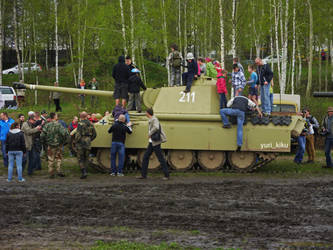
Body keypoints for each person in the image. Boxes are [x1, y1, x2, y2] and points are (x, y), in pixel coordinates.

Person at [137, 108, 169, 180]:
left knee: (160, 158)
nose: (145, 114)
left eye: (146, 112)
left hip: (155, 142)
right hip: (152, 142)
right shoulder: (152, 119)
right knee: (146, 157)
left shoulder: (154, 119)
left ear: (148, 113)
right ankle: (143, 175)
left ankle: (166, 175)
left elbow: (156, 127)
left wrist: (150, 133)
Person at [41, 112, 69, 178]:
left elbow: (42, 135)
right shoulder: (59, 125)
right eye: (56, 115)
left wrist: (44, 142)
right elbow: (65, 134)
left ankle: (51, 172)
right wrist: (64, 141)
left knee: (51, 159)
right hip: (59, 145)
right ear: (54, 117)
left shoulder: (47, 125)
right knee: (58, 158)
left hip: (50, 145)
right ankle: (58, 170)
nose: (57, 116)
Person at [74, 112, 97, 179]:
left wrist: (76, 141)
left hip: (80, 142)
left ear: (81, 117)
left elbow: (78, 134)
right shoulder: (91, 123)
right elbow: (95, 134)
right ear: (86, 116)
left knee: (80, 158)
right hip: (88, 142)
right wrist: (89, 139)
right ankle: (86, 170)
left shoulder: (80, 124)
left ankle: (83, 171)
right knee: (86, 158)